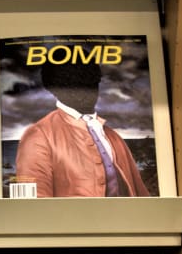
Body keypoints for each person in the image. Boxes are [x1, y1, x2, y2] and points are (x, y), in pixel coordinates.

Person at [15, 59, 149, 197]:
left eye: (91, 84)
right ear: (54, 90)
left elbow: (140, 193)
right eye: (73, 87)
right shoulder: (38, 136)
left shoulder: (113, 137)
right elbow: (33, 205)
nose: (85, 93)